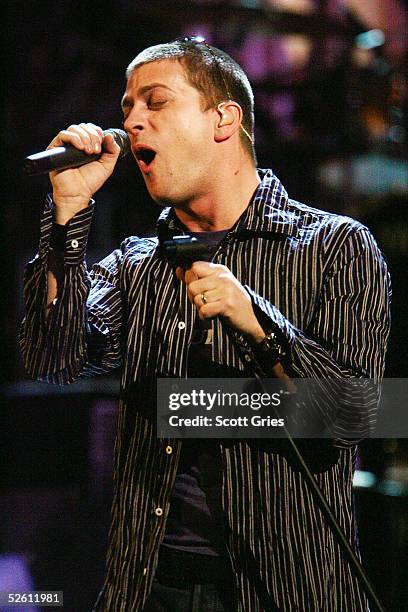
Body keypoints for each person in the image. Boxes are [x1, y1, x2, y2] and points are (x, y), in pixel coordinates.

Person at [20, 38, 391, 611]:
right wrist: (68, 209)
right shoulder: (139, 263)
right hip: (150, 588)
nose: (132, 121)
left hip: (284, 590)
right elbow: (53, 357)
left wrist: (259, 322)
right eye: (126, 108)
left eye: (156, 102)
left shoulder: (334, 247)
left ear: (223, 119)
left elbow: (357, 416)